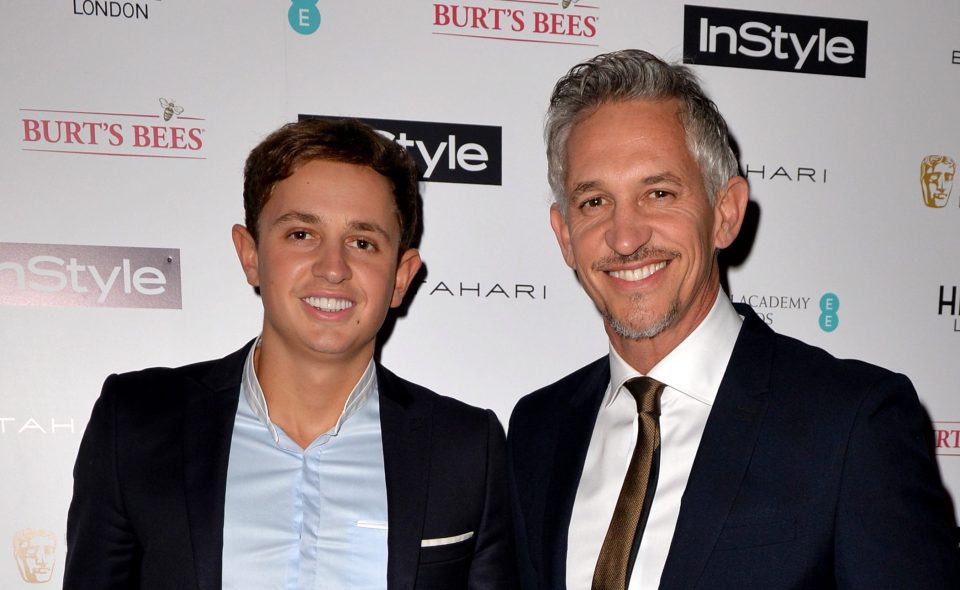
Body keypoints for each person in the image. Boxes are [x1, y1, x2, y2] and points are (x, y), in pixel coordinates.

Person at [508, 49, 960, 589]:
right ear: (564, 235)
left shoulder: (852, 425)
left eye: (659, 193)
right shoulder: (538, 429)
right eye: (595, 201)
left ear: (725, 213)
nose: (625, 237)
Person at [65, 118, 516, 589]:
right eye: (302, 234)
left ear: (401, 277)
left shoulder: (466, 449)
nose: (333, 268)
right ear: (250, 254)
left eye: (362, 242)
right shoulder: (138, 422)